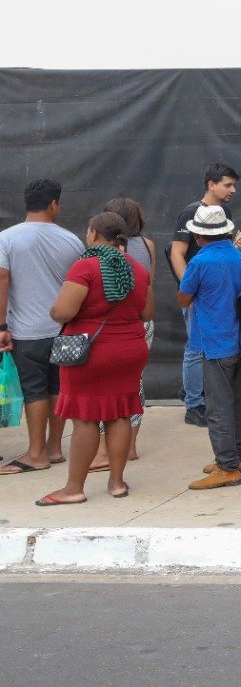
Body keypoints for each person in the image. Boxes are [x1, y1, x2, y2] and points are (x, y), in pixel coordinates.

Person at [34, 213, 153, 506]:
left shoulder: (85, 266)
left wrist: (56, 309)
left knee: (86, 417)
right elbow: (147, 313)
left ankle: (74, 488)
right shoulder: (137, 268)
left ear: (94, 234)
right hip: (130, 349)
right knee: (121, 413)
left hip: (90, 352)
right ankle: (117, 483)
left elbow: (63, 312)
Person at [0, 179, 83, 476]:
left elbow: (2, 281)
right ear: (54, 204)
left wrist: (1, 325)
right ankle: (54, 448)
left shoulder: (6, 239)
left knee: (33, 390)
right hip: (64, 330)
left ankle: (36, 454)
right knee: (58, 387)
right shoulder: (72, 241)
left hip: (26, 331)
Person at [180, 205, 241, 490]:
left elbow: (184, 298)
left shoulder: (199, 261)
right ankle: (238, 456)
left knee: (218, 406)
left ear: (198, 236)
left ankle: (227, 467)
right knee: (232, 400)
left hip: (213, 342)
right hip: (240, 339)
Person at [169, 163, 239, 427]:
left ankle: (203, 397)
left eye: (234, 185)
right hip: (197, 294)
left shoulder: (224, 212)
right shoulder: (191, 212)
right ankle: (194, 404)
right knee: (196, 348)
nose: (232, 190)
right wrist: (190, 288)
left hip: (221, 293)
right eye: (227, 185)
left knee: (215, 347)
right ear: (211, 184)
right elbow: (177, 252)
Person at [89, 197, 156, 471]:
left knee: (104, 386)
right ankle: (130, 446)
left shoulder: (99, 253)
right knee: (134, 383)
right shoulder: (147, 245)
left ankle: (104, 449)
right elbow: (149, 283)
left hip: (111, 324)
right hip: (141, 321)